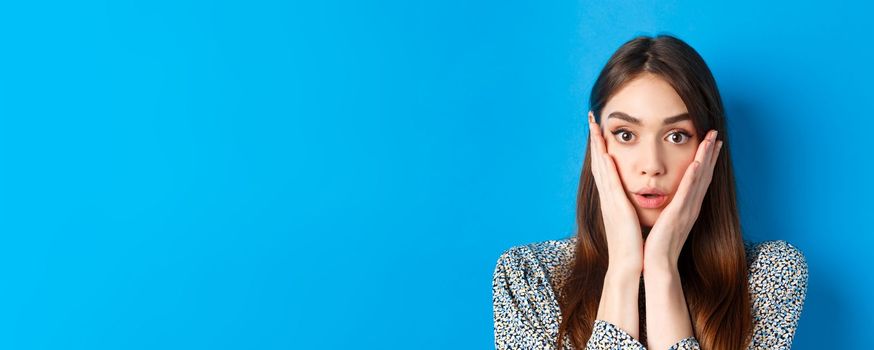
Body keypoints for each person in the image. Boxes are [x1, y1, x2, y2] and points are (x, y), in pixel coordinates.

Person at [492, 34, 808, 350]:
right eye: (626, 134)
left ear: (709, 148)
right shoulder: (529, 276)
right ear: (597, 141)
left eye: (677, 136)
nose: (652, 165)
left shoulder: (770, 274)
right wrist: (623, 268)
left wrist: (661, 269)